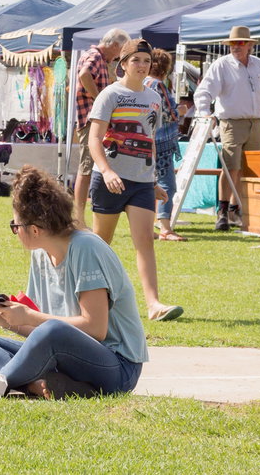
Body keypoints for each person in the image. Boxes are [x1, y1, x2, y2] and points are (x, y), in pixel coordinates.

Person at [0, 166, 148, 399]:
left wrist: (29, 316)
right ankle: (42, 383)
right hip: (63, 359)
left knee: (53, 330)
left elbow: (95, 329)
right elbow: (40, 334)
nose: (15, 232)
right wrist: (2, 320)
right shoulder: (41, 253)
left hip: (117, 366)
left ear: (34, 229)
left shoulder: (85, 248)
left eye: (15, 226)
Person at [87, 40, 184, 323]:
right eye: (136, 60)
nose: (142, 65)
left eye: (146, 60)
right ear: (123, 64)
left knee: (145, 241)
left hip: (141, 183)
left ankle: (154, 304)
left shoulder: (153, 97)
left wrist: (152, 181)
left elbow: (148, 141)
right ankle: (92, 301)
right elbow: (95, 139)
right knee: (101, 244)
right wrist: (106, 171)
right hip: (109, 180)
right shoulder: (109, 95)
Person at [193, 25, 260, 231]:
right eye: (232, 43)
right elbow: (204, 90)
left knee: (250, 169)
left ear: (249, 45)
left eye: (239, 43)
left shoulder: (259, 65)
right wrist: (204, 113)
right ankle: (223, 212)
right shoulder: (221, 65)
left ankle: (240, 210)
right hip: (231, 122)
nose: (235, 47)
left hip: (256, 123)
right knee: (231, 167)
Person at [72, 29, 131, 227]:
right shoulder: (95, 56)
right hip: (91, 120)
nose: (119, 56)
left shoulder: (97, 58)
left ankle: (80, 217)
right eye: (120, 50)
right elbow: (84, 74)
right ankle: (78, 219)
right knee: (87, 168)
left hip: (91, 120)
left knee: (90, 167)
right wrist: (99, 99)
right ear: (114, 44)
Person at [145, 51, 184, 241]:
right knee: (167, 185)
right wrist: (181, 110)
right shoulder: (158, 85)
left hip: (146, 140)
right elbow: (168, 113)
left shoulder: (143, 83)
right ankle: (166, 228)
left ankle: (147, 226)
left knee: (147, 186)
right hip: (162, 142)